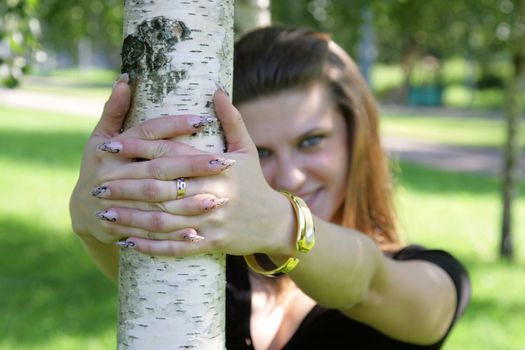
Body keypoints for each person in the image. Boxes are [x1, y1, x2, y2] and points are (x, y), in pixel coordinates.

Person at [70, 26, 470, 349]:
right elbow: (121, 238)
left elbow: (368, 285)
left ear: (356, 140)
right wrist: (94, 219)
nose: (291, 176)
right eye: (260, 152)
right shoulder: (197, 268)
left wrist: (285, 226)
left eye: (312, 141)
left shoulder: (428, 277)